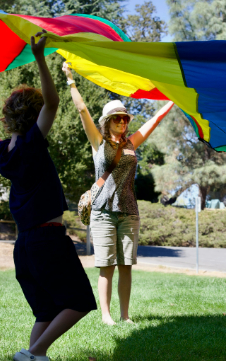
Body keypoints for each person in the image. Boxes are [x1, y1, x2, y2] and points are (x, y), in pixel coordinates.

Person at [0, 30, 96, 361]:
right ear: (34, 118)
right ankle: (35, 354)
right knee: (79, 301)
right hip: (49, 241)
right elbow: (53, 103)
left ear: (7, 118)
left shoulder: (4, 153)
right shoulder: (34, 143)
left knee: (47, 310)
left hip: (24, 247)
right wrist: (39, 56)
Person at [62, 62, 174, 325]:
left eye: (125, 118)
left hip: (129, 212)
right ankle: (106, 316)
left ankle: (125, 316)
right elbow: (81, 109)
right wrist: (70, 79)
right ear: (107, 122)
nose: (123, 122)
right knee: (106, 266)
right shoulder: (98, 142)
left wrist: (173, 97)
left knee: (126, 267)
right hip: (102, 212)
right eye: (117, 118)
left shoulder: (132, 143)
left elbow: (155, 119)